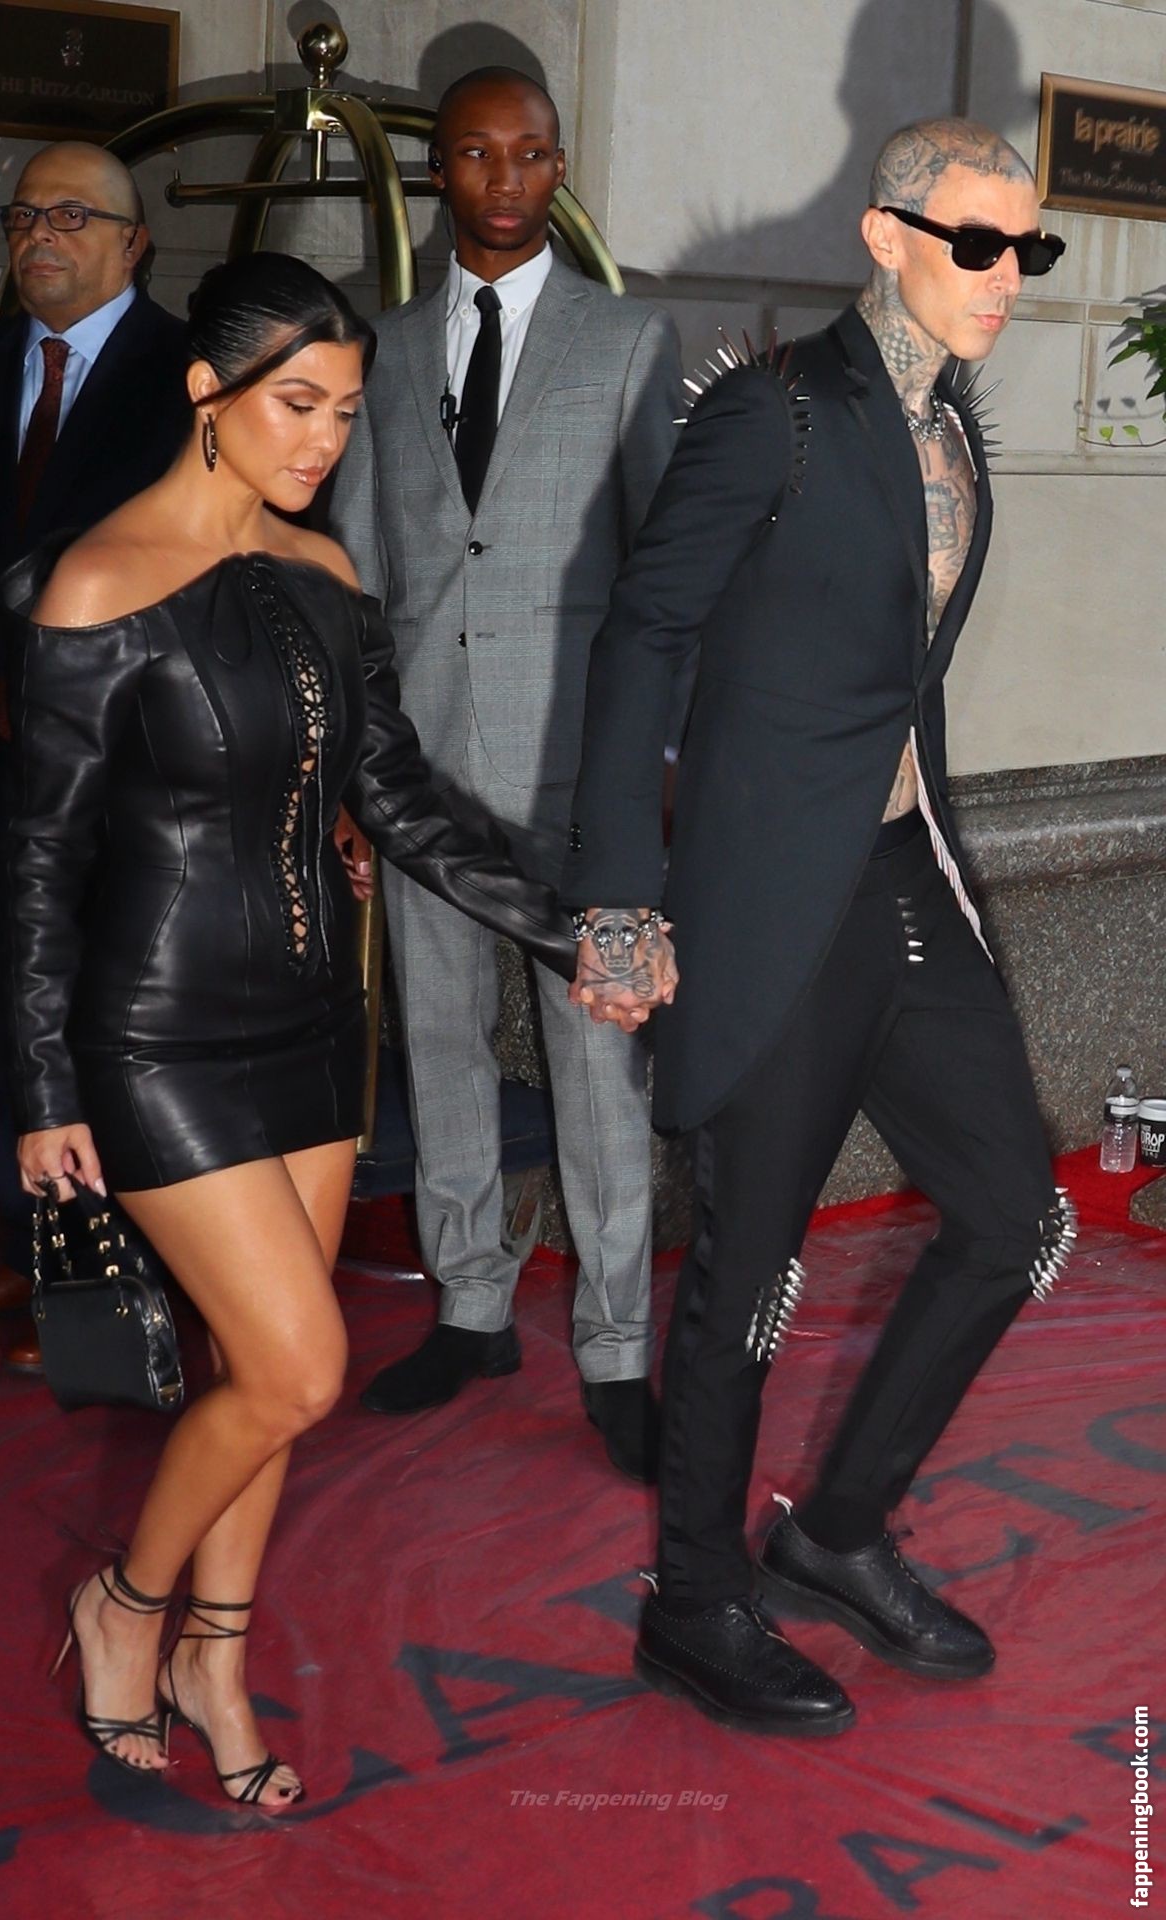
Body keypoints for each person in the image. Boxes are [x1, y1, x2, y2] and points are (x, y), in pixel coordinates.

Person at [7, 251, 576, 1808]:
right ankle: (122, 1608)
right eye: (297, 404)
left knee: (261, 1376)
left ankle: (218, 1654)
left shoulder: (325, 573)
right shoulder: (97, 584)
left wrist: (565, 929)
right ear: (210, 392)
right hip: (156, 1038)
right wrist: (46, 1084)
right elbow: (41, 865)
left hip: (320, 1027)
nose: (326, 438)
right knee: (298, 1365)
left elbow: (397, 797)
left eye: (344, 410)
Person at [562, 119, 1074, 1733]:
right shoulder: (774, 412)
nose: (1006, 276)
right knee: (754, 1277)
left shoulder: (956, 425)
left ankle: (838, 1533)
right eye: (976, 243)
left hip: (906, 874)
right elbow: (644, 633)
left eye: (1028, 247)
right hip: (770, 895)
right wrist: (619, 899)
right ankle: (693, 1602)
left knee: (1019, 1218)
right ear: (885, 234)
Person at [331, 67, 682, 1480]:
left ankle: (617, 1349)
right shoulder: (381, 347)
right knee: (440, 1041)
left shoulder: (628, 338)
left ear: (557, 166)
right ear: (441, 170)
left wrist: (656, 773)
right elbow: (361, 576)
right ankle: (470, 1305)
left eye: (529, 154)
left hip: (575, 771)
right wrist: (355, 777)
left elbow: (661, 577)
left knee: (597, 1060)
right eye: (476, 154)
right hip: (419, 770)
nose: (503, 179)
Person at [0, 143, 189, 1370]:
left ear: (134, 243)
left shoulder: (192, 380)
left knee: (114, 1026)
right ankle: (39, 1250)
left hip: (135, 767)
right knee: (5, 1014)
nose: (39, 237)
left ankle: (131, 1275)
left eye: (71, 216)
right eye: (23, 218)